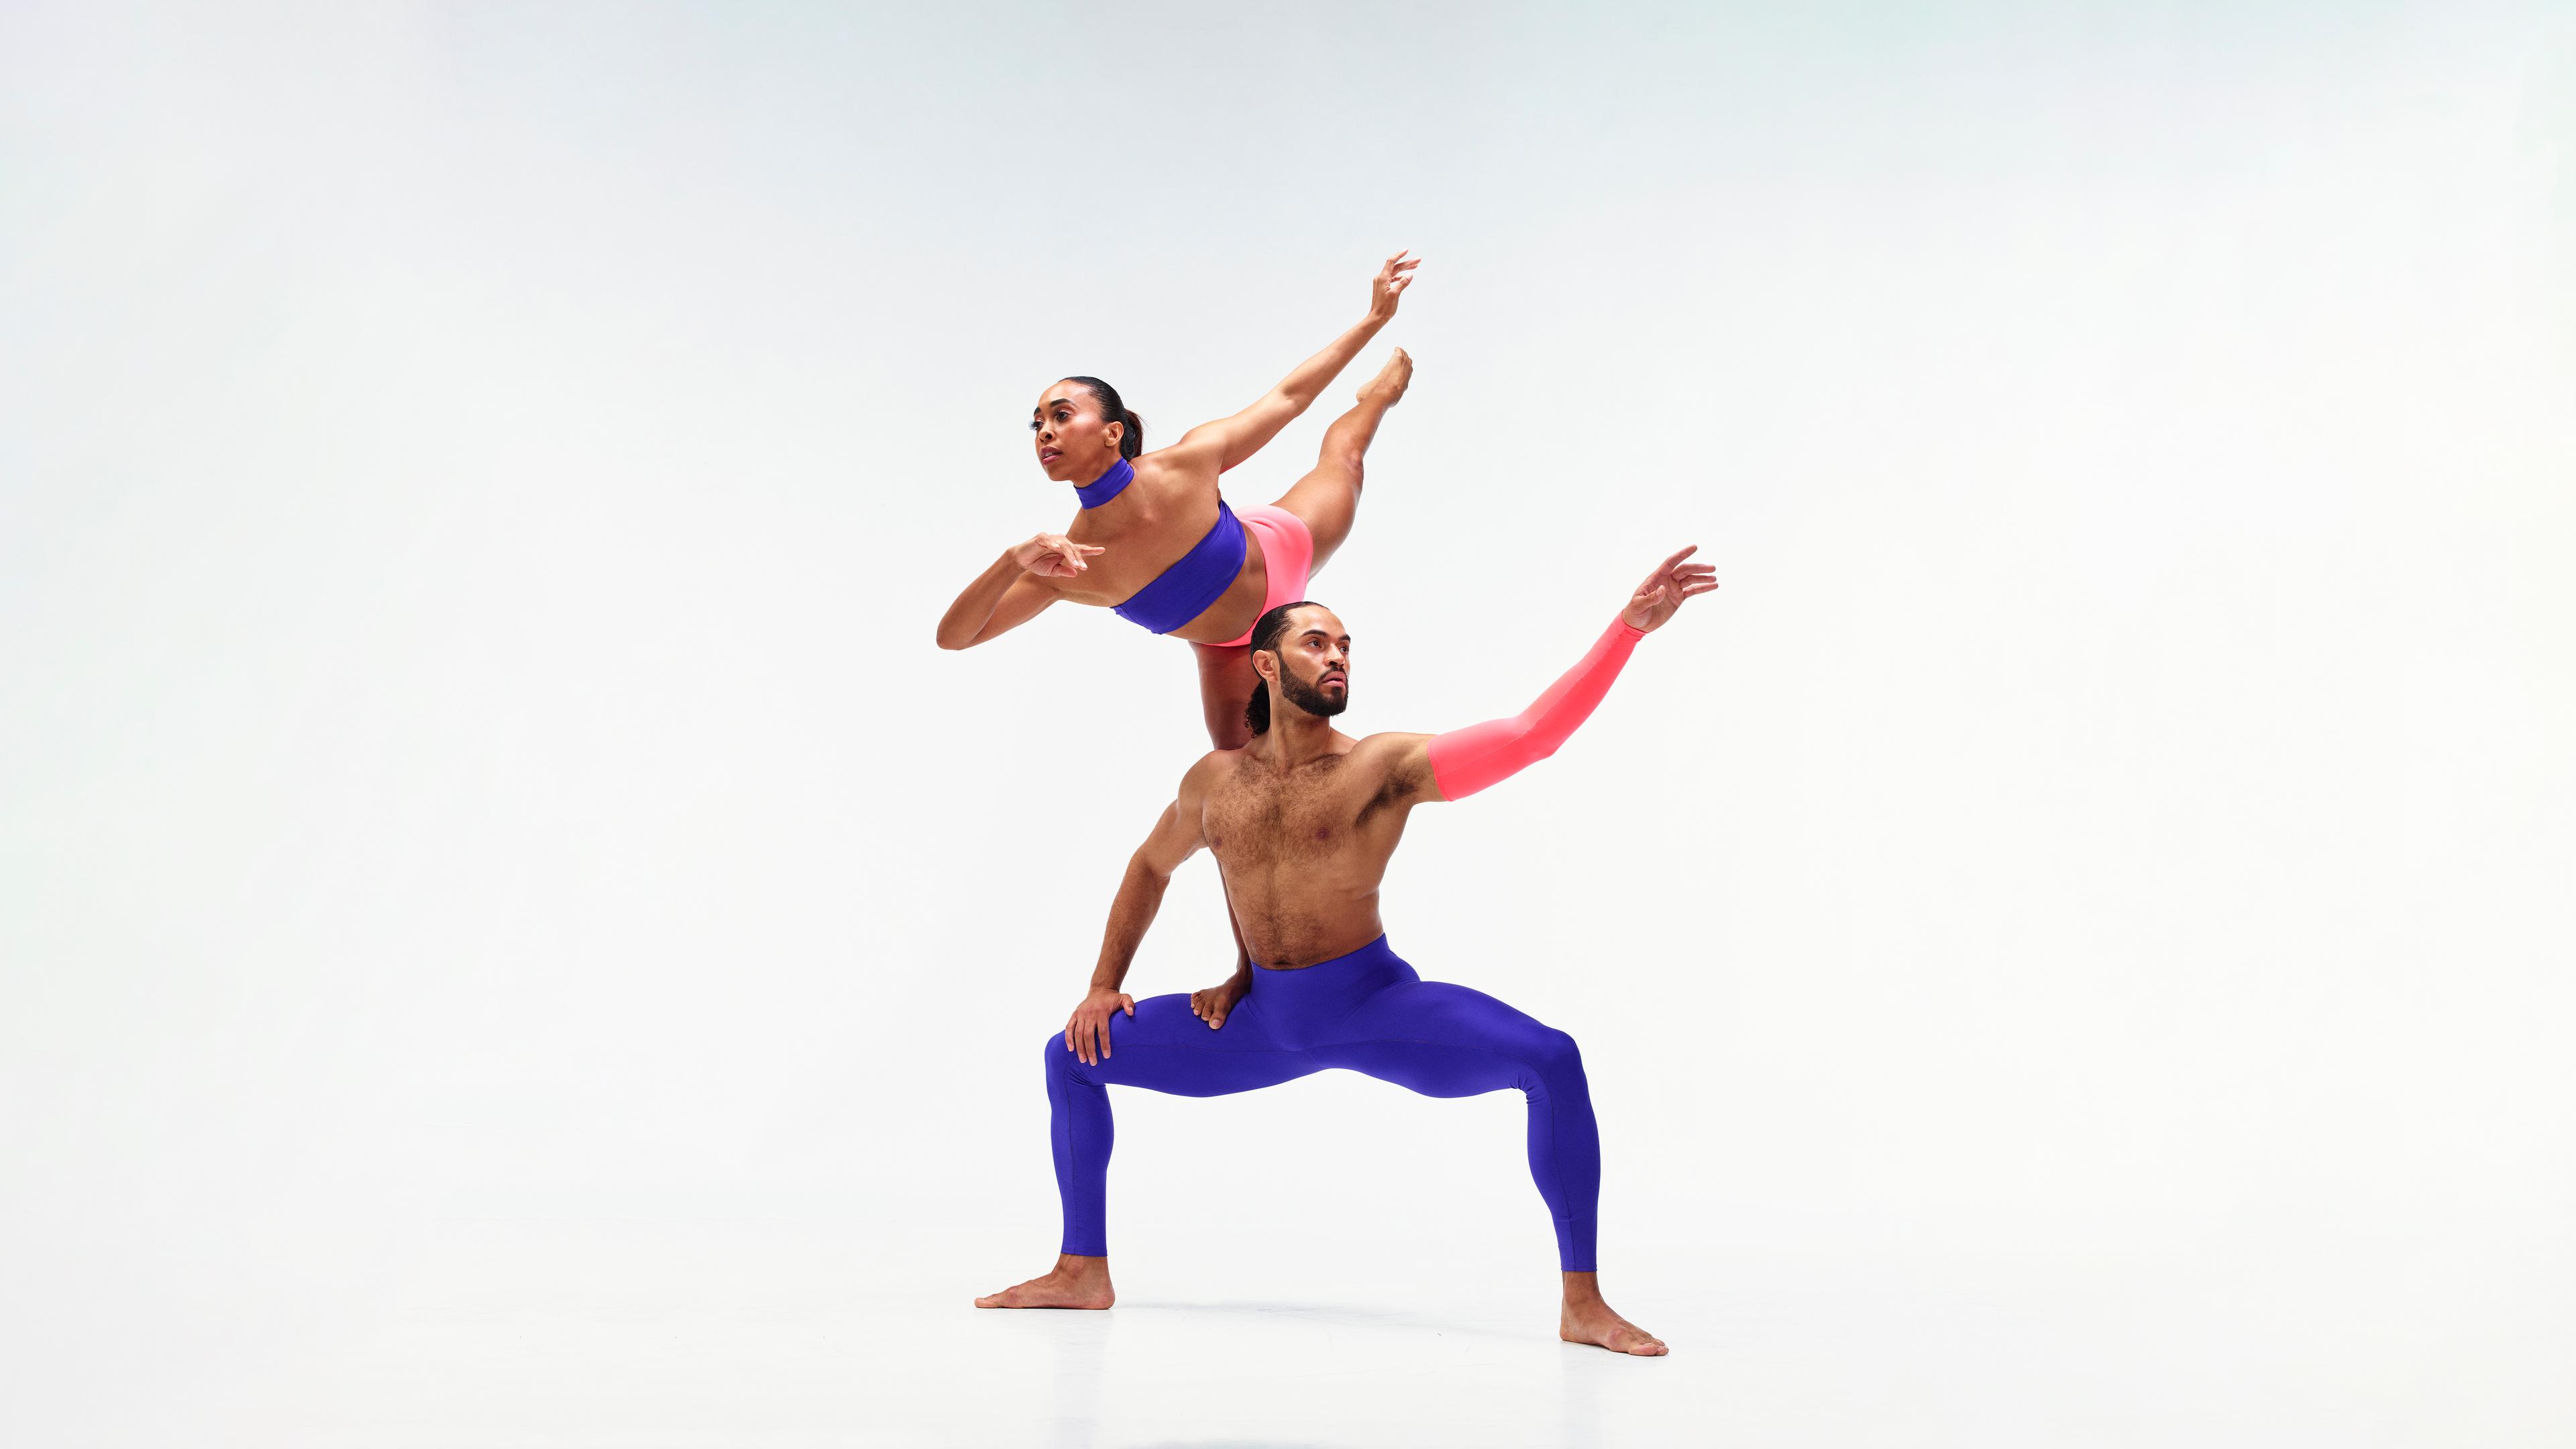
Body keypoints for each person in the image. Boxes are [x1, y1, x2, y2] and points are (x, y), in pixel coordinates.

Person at [974, 546, 1721, 1356]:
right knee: (1072, 1054)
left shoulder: (1380, 767)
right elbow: (1153, 866)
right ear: (1264, 664)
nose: (1337, 657)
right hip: (1262, 1023)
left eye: (1345, 646)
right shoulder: (1214, 782)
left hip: (1375, 1010)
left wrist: (1628, 630)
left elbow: (1530, 736)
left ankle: (1584, 1303)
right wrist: (1105, 985)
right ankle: (1082, 1270)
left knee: (1551, 1059)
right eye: (1317, 643)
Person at [936, 252, 1419, 750]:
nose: (1045, 433)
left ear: (1112, 432)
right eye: (1037, 424)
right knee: (1239, 770)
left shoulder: (1188, 462)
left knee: (1345, 460)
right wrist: (1008, 563)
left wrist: (1374, 319)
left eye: (1061, 415)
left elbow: (1289, 399)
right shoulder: (1069, 566)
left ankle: (1375, 400)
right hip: (1228, 649)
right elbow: (955, 637)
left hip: (1282, 550)